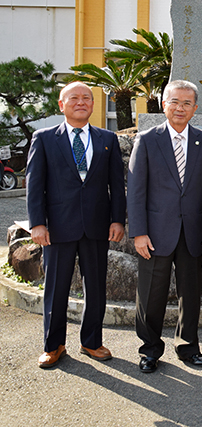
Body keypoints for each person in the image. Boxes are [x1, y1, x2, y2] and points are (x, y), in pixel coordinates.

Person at [26, 81, 126, 368]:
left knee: (95, 287)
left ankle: (92, 342)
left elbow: (116, 185)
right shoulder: (44, 138)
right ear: (61, 104)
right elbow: (35, 185)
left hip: (96, 226)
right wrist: (38, 224)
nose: (81, 102)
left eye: (87, 98)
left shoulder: (107, 138)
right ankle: (53, 345)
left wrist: (117, 219)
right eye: (74, 98)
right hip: (57, 227)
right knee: (56, 288)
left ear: (93, 104)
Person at [128, 80, 202, 373]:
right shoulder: (147, 139)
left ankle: (188, 347)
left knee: (190, 294)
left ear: (195, 108)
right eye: (174, 102)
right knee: (151, 294)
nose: (180, 108)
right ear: (163, 104)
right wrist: (139, 232)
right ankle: (150, 349)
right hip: (155, 232)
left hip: (193, 233)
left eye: (186, 103)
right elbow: (136, 189)